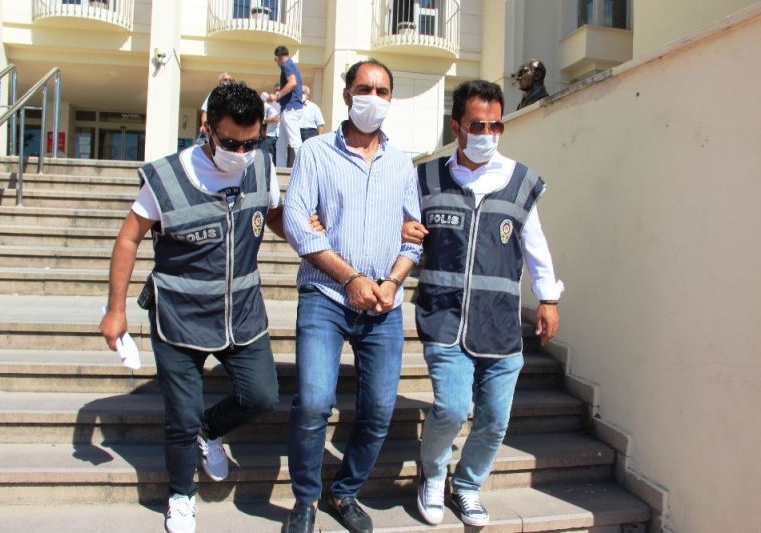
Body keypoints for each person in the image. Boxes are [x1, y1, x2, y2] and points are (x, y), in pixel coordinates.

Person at [100, 82, 285, 533]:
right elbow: (129, 238)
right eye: (231, 143)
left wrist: (312, 237)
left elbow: (273, 214)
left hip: (241, 315)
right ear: (207, 128)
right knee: (181, 417)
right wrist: (115, 309)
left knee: (262, 396)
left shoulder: (261, 165)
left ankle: (211, 429)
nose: (241, 153)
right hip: (179, 318)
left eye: (251, 142)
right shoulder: (166, 179)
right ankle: (181, 494)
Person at [402, 80, 563, 527]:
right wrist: (400, 230)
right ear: (456, 126)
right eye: (478, 125)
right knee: (453, 408)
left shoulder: (520, 181)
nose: (488, 134)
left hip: (500, 325)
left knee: (494, 419)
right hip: (444, 317)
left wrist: (548, 298)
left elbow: (536, 246)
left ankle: (468, 485)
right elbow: (402, 230)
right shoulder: (427, 178)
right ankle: (434, 474)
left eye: (496, 125)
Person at [282, 58, 422, 533]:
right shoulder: (315, 152)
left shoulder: (402, 164)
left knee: (379, 410)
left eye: (383, 91)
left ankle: (344, 492)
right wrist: (350, 278)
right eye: (365, 89)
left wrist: (392, 282)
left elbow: (413, 238)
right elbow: (298, 224)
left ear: (391, 99)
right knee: (314, 403)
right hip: (325, 296)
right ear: (346, 95)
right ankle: (305, 501)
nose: (373, 99)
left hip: (383, 304)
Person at [273, 45, 303, 167]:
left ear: (278, 57)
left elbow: (292, 82)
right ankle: (280, 169)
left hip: (290, 109)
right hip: (290, 108)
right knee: (281, 144)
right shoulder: (292, 66)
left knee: (295, 142)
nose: (276, 62)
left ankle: (303, 168)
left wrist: (277, 95)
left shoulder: (286, 65)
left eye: (275, 59)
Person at [198, 71, 234, 143]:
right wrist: (203, 126)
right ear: (220, 81)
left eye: (230, 80)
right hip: (214, 129)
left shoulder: (235, 96)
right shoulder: (213, 94)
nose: (227, 82)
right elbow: (205, 111)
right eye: (225, 79)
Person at [260, 90, 281, 163]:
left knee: (279, 159)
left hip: (281, 136)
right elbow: (262, 119)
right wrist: (271, 120)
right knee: (265, 157)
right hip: (270, 135)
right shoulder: (267, 105)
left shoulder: (284, 104)